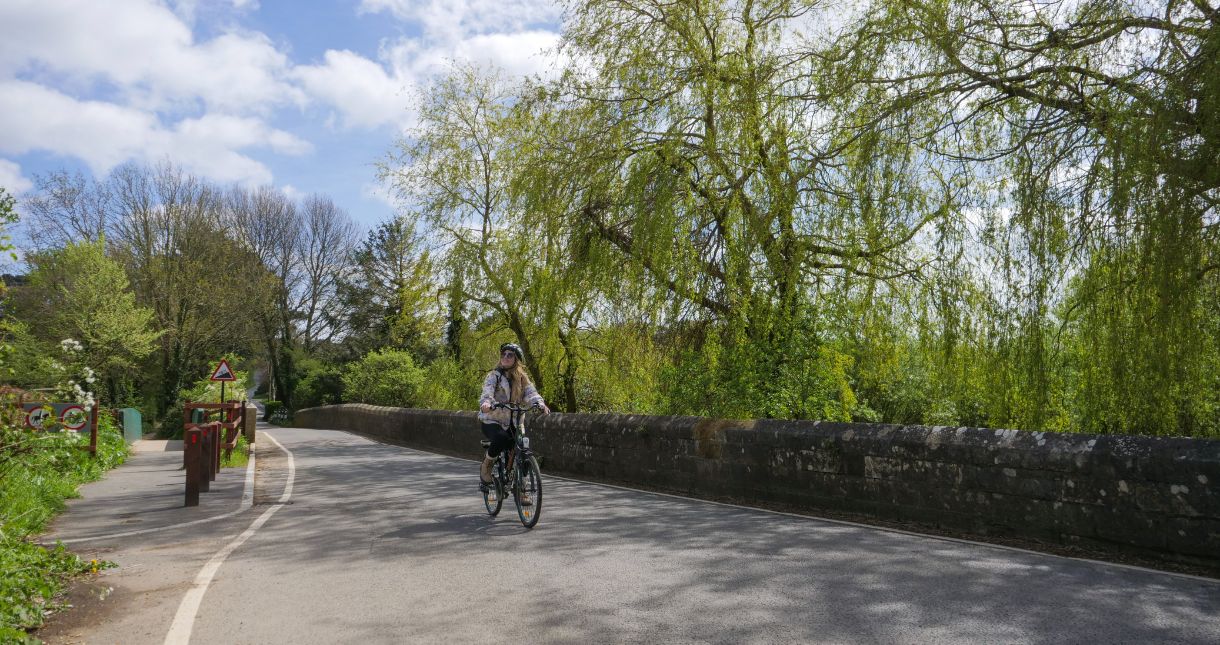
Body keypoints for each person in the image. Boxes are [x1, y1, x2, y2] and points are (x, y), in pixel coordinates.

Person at [479, 343, 549, 499]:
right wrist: (487, 403)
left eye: (510, 355)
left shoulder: (522, 378)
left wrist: (539, 403)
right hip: (493, 420)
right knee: (501, 438)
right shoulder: (494, 376)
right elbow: (487, 392)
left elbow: (531, 393)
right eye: (504, 354)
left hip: (515, 422)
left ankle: (521, 487)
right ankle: (487, 465)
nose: (505, 357)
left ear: (516, 359)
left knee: (522, 449)